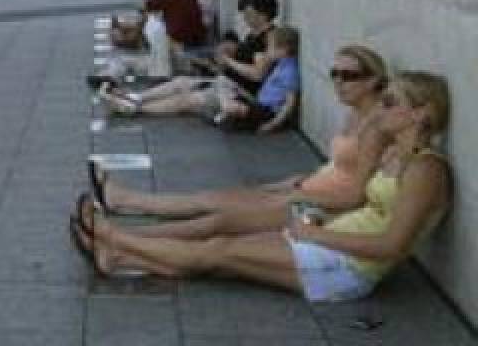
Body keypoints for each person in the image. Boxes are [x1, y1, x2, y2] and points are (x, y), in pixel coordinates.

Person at [73, 72, 453, 305]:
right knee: (220, 256)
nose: (380, 109)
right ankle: (119, 257)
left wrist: (313, 232)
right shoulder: (394, 156)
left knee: (220, 251)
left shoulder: (426, 169)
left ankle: (113, 237)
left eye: (390, 102)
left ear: (421, 113)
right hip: (332, 241)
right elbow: (362, 203)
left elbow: (392, 245)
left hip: (347, 267)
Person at [86, 46, 390, 241]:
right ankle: (125, 201)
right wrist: (296, 183)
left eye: (348, 76)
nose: (338, 82)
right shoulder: (356, 115)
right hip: (309, 190)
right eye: (334, 74)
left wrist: (298, 198)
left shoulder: (377, 125)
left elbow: (356, 194)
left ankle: (124, 234)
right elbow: (340, 167)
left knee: (220, 220)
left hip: (319, 207)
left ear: (374, 81)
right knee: (216, 199)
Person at [98, 0, 279, 114]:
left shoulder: (269, 37)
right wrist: (219, 64)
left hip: (237, 92)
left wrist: (229, 61)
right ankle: (136, 97)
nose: (246, 19)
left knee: (187, 100)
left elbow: (258, 74)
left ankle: (135, 108)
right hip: (226, 81)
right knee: (181, 82)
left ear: (262, 13)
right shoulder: (254, 34)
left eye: (249, 14)